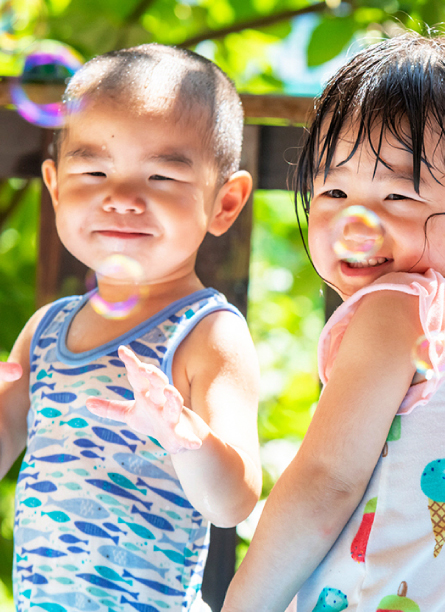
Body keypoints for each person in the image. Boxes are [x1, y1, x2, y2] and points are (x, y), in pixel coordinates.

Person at [222, 33, 445, 612]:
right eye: (335, 189)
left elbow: (326, 481)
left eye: (397, 195)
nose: (356, 222)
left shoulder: (397, 306)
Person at [0, 43, 262, 610]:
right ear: (54, 186)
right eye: (92, 170)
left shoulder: (206, 333)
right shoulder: (46, 330)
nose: (121, 198)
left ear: (225, 203)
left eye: (163, 177)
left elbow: (233, 502)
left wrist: (183, 435)